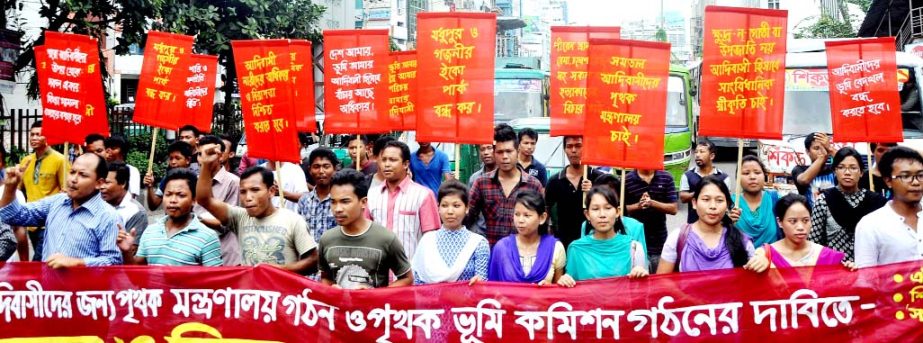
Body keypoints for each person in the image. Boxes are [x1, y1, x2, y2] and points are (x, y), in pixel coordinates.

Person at [195, 145, 317, 273]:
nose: (248, 197)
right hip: (250, 292)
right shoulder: (239, 217)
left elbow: (313, 262)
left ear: (271, 191)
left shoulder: (293, 221)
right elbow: (205, 199)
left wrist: (277, 271)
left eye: (255, 190)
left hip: (282, 292)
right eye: (243, 192)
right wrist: (206, 166)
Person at [0, 153, 122, 267]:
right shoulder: (56, 202)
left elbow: (113, 261)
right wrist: (10, 187)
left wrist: (78, 262)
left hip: (84, 288)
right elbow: (13, 216)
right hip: (50, 288)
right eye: (72, 172)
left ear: (99, 183)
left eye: (83, 175)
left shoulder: (108, 216)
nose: (73, 179)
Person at [319, 169, 413, 289]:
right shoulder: (327, 239)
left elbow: (407, 279)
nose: (337, 209)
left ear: (363, 202)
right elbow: (325, 277)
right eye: (333, 202)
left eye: (345, 202)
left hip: (374, 308)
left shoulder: (386, 239)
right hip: (338, 307)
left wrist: (373, 295)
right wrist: (331, 289)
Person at [657, 176, 769, 274]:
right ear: (694, 203)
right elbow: (662, 283)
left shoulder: (741, 241)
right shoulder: (678, 238)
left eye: (719, 200)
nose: (713, 206)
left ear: (727, 205)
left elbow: (754, 283)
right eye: (706, 199)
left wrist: (764, 261)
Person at [118, 168, 222, 266]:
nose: (172, 200)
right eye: (168, 194)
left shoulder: (207, 237)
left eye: (180, 195)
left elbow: (215, 280)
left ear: (194, 200)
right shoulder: (150, 231)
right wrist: (126, 252)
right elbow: (137, 271)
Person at [466, 124, 544, 246]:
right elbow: (468, 217)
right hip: (491, 255)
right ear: (494, 153)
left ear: (517, 151)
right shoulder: (482, 183)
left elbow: (542, 223)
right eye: (500, 152)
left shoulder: (533, 185)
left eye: (509, 151)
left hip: (523, 256)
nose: (505, 157)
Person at [557, 186, 648, 287]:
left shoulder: (633, 247)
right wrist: (564, 280)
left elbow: (640, 291)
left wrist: (640, 274)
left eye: (608, 208)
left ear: (617, 212)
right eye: (595, 209)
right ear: (587, 214)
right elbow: (571, 288)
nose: (602, 215)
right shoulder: (576, 249)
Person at [809, 147, 886, 262]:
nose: (847, 172)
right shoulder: (823, 201)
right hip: (834, 270)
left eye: (853, 168)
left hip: (867, 268)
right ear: (835, 171)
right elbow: (813, 243)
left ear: (861, 172)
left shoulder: (876, 202)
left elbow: (884, 241)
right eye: (841, 167)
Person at [368, 140, 440, 260]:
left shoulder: (423, 195)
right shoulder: (372, 194)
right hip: (378, 271)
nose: (386, 164)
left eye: (393, 160)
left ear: (406, 164)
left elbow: (432, 240)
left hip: (411, 271)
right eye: (384, 159)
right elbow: (366, 233)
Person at [855, 147, 923, 268]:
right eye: (905, 176)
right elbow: (866, 278)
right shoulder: (870, 225)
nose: (916, 182)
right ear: (888, 181)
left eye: (920, 175)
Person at [412, 181, 490, 285]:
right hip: (430, 301)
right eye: (444, 205)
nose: (450, 211)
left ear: (466, 208)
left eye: (456, 206)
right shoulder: (427, 241)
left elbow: (481, 281)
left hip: (465, 300)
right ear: (438, 208)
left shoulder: (478, 244)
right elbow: (418, 280)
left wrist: (478, 282)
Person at [488, 190, 564, 284]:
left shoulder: (555, 247)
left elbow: (559, 290)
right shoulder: (501, 247)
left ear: (542, 218)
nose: (520, 220)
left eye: (527, 215)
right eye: (517, 214)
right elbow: (492, 287)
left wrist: (550, 287)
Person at [17, 120, 67, 260]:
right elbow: (19, 190)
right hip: (31, 221)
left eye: (38, 135)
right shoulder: (26, 161)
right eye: (32, 134)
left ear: (48, 137)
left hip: (50, 222)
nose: (34, 138)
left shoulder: (60, 160)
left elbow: (67, 191)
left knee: (38, 262)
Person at [757, 193, 847, 268]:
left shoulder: (826, 256)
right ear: (780, 222)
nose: (800, 227)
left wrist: (849, 269)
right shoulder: (765, 255)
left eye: (805, 220)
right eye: (793, 221)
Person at [193, 136, 242, 266]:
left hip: (224, 252)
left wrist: (194, 220)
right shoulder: (193, 181)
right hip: (196, 249)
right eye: (199, 154)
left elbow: (226, 222)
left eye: (209, 153)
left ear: (220, 156)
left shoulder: (233, 182)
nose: (203, 158)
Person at [545, 136, 599, 248]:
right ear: (564, 149)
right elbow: (546, 213)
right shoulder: (555, 181)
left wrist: (594, 192)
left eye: (578, 146)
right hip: (563, 244)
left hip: (594, 244)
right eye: (569, 146)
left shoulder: (598, 178)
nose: (573, 150)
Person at [624, 168, 677, 271]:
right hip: (634, 240)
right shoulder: (627, 179)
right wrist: (638, 206)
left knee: (658, 280)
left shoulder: (666, 177)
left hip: (659, 241)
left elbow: (673, 208)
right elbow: (620, 210)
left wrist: (652, 203)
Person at [680, 138, 733, 224]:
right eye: (696, 152)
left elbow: (728, 201)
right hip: (694, 225)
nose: (697, 155)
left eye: (702, 152)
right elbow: (683, 197)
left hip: (718, 226)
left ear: (712, 156)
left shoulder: (723, 178)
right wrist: (700, 192)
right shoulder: (687, 175)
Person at [731, 156, 780, 247]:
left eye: (757, 172)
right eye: (746, 173)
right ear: (737, 178)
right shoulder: (730, 203)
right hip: (740, 259)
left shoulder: (776, 200)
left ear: (764, 176)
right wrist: (727, 221)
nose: (752, 177)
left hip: (772, 258)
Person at [295, 148, 340, 243]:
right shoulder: (304, 201)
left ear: (335, 169)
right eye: (316, 167)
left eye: (326, 166)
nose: (321, 171)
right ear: (310, 170)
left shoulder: (341, 200)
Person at [100, 162, 148, 246]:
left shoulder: (136, 212)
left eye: (107, 183)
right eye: (100, 182)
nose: (102, 186)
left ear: (123, 183)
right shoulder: (96, 204)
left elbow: (131, 250)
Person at [145, 140, 194, 210]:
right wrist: (150, 187)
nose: (173, 162)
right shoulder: (167, 179)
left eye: (177, 158)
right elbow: (153, 205)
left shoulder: (195, 180)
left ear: (188, 160)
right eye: (171, 158)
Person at [791, 132, 837, 207]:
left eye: (824, 148)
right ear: (807, 151)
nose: (821, 151)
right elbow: (804, 180)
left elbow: (847, 163)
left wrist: (831, 149)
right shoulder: (799, 169)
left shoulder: (834, 169)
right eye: (816, 148)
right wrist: (822, 157)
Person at [467, 143, 496, 236]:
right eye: (482, 149)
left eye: (489, 148)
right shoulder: (475, 178)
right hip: (479, 232)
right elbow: (470, 209)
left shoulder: (505, 177)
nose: (486, 153)